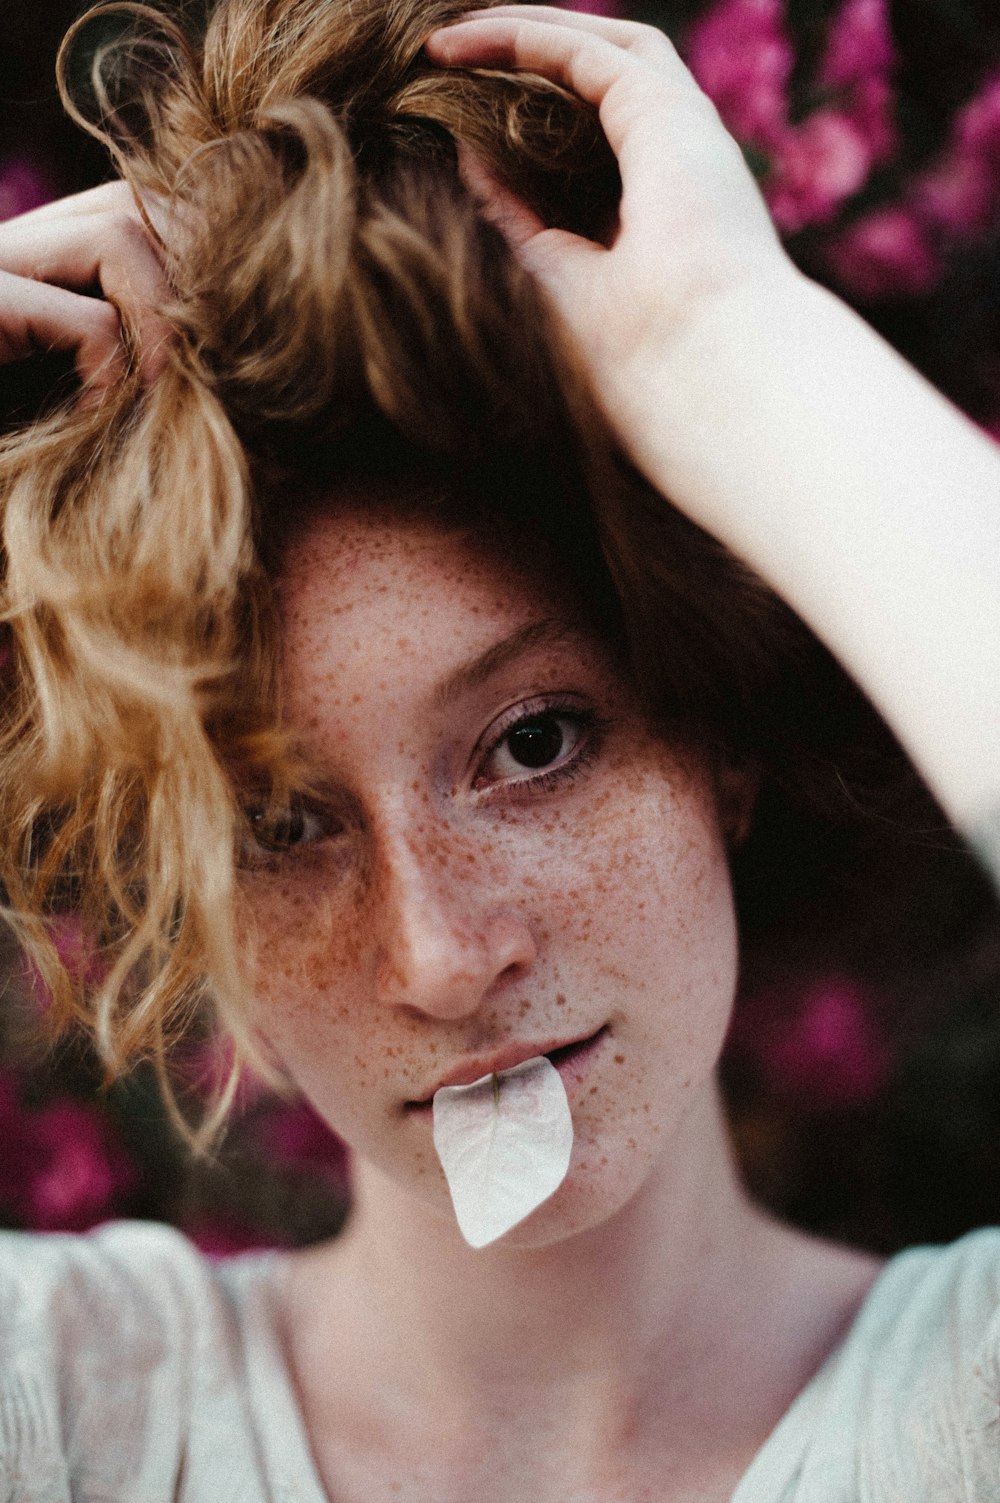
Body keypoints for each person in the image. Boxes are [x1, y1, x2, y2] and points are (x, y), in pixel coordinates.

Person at [0, 1, 999, 1498]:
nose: (444, 955)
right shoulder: (62, 1407)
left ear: (712, 730)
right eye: (282, 822)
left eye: (534, 742)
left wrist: (732, 351)